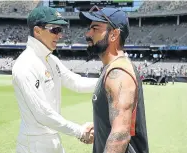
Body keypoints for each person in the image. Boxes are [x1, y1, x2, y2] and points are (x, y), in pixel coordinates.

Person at [12, 6, 97, 153]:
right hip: (34, 143)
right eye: (55, 30)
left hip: (53, 139)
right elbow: (42, 113)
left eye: (60, 30)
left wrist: (109, 80)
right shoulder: (24, 65)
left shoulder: (51, 60)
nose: (60, 35)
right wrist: (79, 131)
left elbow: (75, 82)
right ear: (37, 31)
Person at [79, 6, 149, 153]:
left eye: (95, 28)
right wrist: (100, 126)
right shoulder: (112, 68)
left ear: (113, 35)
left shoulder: (118, 73)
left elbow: (120, 135)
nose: (88, 33)